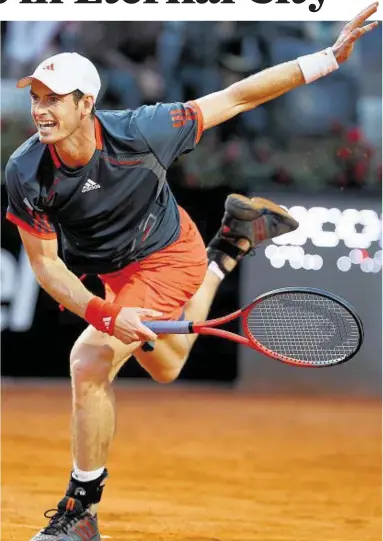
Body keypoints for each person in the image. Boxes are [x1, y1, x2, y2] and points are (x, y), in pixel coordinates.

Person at [4, 4, 378, 541]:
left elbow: (237, 96)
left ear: (87, 105)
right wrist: (107, 310)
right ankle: (229, 248)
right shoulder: (26, 170)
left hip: (166, 254)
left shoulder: (144, 131)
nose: (41, 109)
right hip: (114, 272)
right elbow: (44, 264)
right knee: (168, 367)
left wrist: (325, 58)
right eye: (36, 97)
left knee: (88, 361)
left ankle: (80, 511)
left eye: (54, 99)